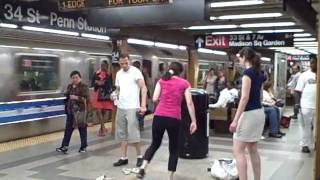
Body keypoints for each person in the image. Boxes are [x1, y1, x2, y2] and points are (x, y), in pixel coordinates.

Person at [137, 62, 197, 179]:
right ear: (181, 72)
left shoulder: (162, 81)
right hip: (174, 118)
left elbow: (154, 98)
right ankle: (170, 176)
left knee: (154, 144)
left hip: (159, 116)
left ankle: (143, 168)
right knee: (174, 148)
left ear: (169, 69)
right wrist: (194, 121)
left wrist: (163, 102)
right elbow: (189, 103)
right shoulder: (184, 83)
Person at [229, 47, 266, 180]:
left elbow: (244, 98)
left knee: (238, 151)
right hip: (259, 113)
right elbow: (261, 96)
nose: (238, 59)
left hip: (249, 114)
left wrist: (235, 120)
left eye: (239, 57)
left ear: (245, 57)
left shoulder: (247, 74)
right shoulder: (260, 73)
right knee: (253, 149)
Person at [113, 54, 148, 167]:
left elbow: (143, 87)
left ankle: (139, 156)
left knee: (133, 132)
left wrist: (143, 105)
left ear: (129, 61)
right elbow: (118, 89)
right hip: (121, 106)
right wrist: (114, 95)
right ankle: (123, 157)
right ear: (119, 63)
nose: (124, 65)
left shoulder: (135, 72)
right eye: (122, 63)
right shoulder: (118, 73)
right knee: (122, 133)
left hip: (133, 106)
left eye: (126, 63)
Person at [56, 71, 90, 153]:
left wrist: (76, 97)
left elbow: (86, 99)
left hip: (80, 111)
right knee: (68, 130)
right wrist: (65, 94)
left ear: (80, 78)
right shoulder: (70, 86)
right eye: (73, 78)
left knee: (82, 129)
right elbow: (67, 95)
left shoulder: (84, 86)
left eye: (76, 77)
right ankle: (64, 146)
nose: (75, 79)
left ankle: (83, 147)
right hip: (70, 111)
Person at [295, 54, 317, 153]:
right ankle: (304, 145)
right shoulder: (304, 75)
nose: (311, 65)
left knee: (316, 127)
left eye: (313, 63)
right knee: (305, 127)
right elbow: (297, 91)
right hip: (306, 106)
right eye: (311, 63)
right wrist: (296, 104)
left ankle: (316, 143)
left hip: (317, 107)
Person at [91, 60, 113, 136]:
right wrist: (97, 83)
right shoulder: (96, 74)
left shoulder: (109, 75)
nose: (103, 66)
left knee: (104, 112)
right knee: (98, 111)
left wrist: (104, 83)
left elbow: (110, 85)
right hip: (98, 94)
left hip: (105, 94)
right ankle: (103, 128)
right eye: (102, 65)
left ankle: (101, 128)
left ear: (107, 66)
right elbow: (92, 84)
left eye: (104, 65)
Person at [132, 61, 151, 131]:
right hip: (141, 96)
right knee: (141, 112)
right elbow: (147, 85)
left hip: (136, 97)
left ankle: (137, 125)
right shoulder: (143, 74)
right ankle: (141, 125)